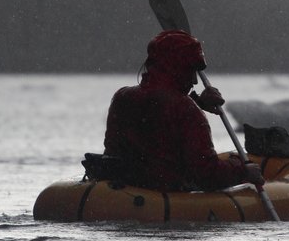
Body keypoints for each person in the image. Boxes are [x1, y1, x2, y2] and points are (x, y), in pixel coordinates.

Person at [103, 29, 265, 192]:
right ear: (177, 69)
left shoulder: (123, 97)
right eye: (190, 71)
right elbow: (207, 175)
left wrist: (197, 103)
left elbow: (155, 115)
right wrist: (243, 171)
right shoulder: (185, 110)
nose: (195, 80)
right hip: (164, 192)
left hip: (124, 188)